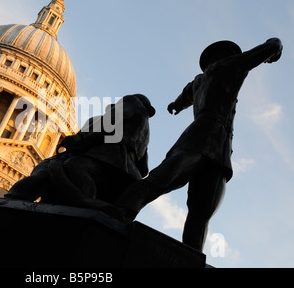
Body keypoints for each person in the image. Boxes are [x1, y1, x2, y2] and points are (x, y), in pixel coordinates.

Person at [116, 38, 283, 251]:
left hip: (204, 142)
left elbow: (183, 98)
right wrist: (275, 50)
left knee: (165, 185)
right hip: (210, 140)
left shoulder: (198, 82)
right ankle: (122, 213)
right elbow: (272, 45)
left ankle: (122, 212)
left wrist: (176, 105)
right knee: (196, 211)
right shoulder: (230, 65)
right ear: (229, 54)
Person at [5, 94, 155, 218]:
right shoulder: (145, 135)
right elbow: (144, 169)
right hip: (128, 178)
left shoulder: (132, 102)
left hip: (107, 162)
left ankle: (10, 202)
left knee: (52, 169)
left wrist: (80, 138)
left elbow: (109, 123)